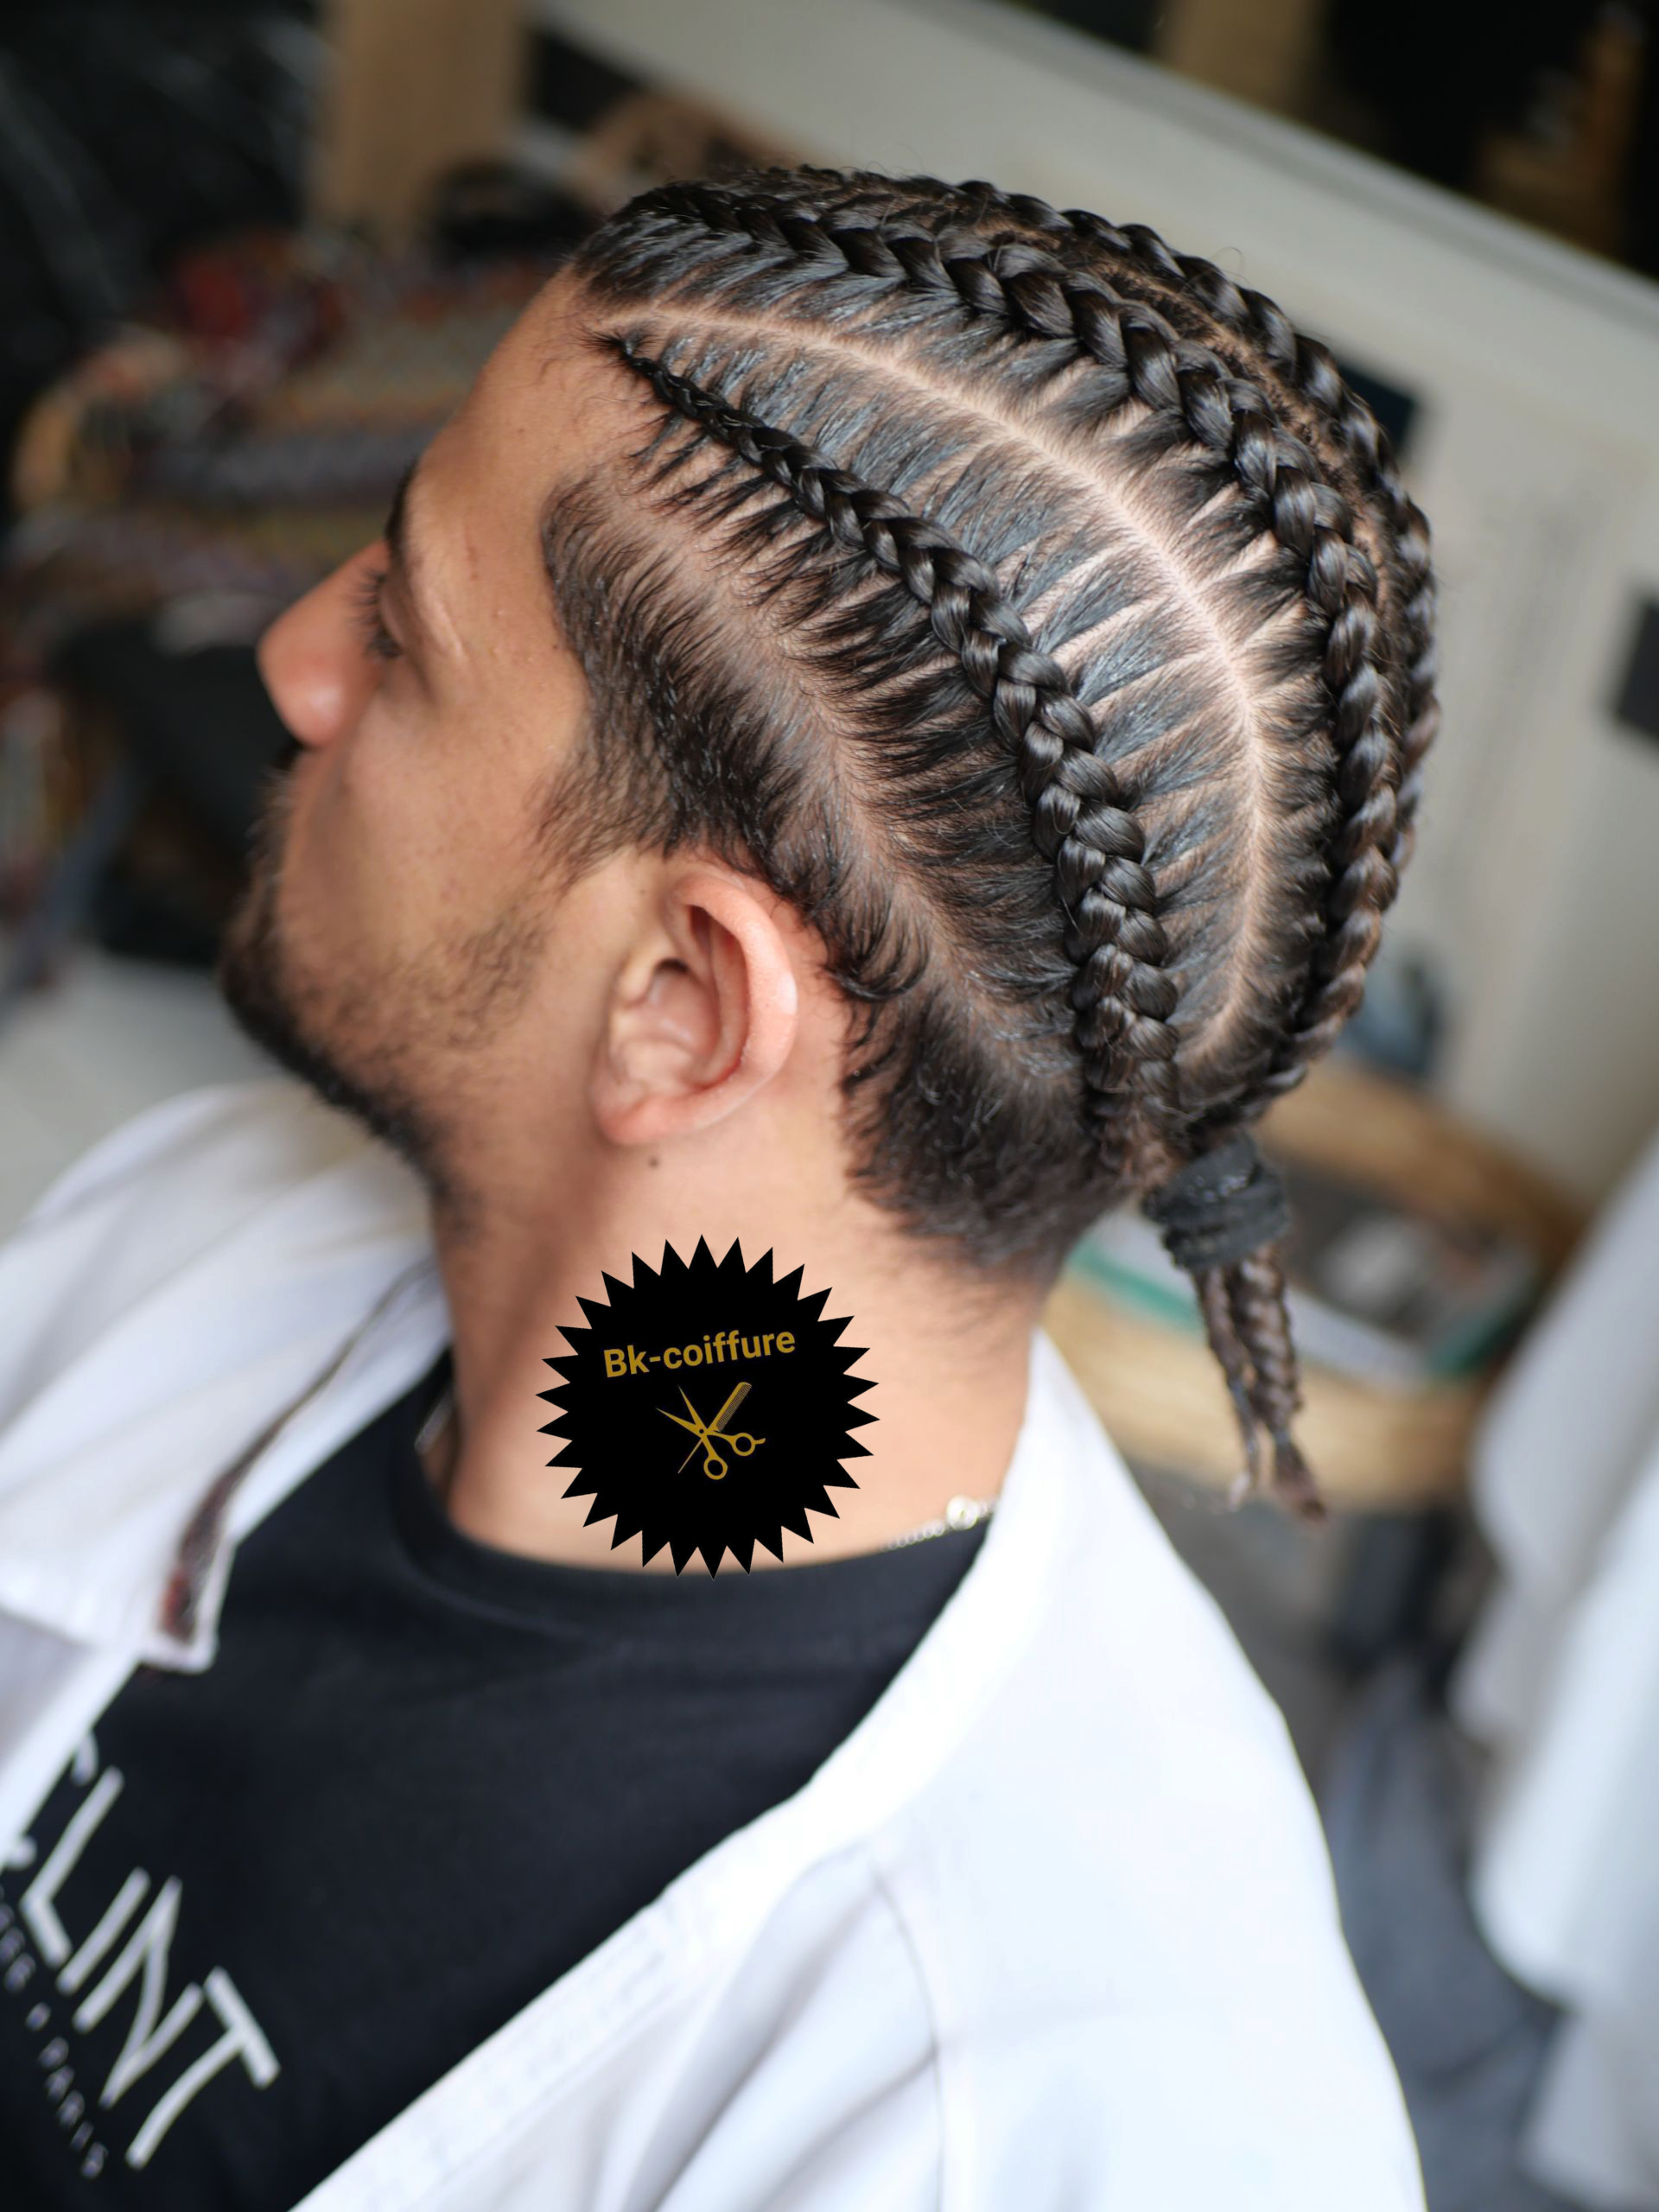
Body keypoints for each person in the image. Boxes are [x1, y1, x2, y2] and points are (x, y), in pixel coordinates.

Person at [0, 166, 1437, 2208]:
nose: (296, 661)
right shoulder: (228, 1212)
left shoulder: (1067, 2122)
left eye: (402, 635)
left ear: (683, 1005)